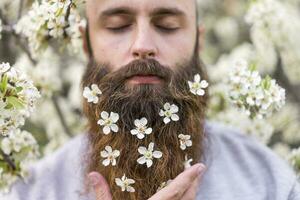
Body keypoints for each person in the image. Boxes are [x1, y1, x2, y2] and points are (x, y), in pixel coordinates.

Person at [1, 0, 300, 199]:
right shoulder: (33, 191)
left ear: (200, 42)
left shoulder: (270, 184)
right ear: (85, 43)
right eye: (118, 25)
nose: (143, 46)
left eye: (167, 25)